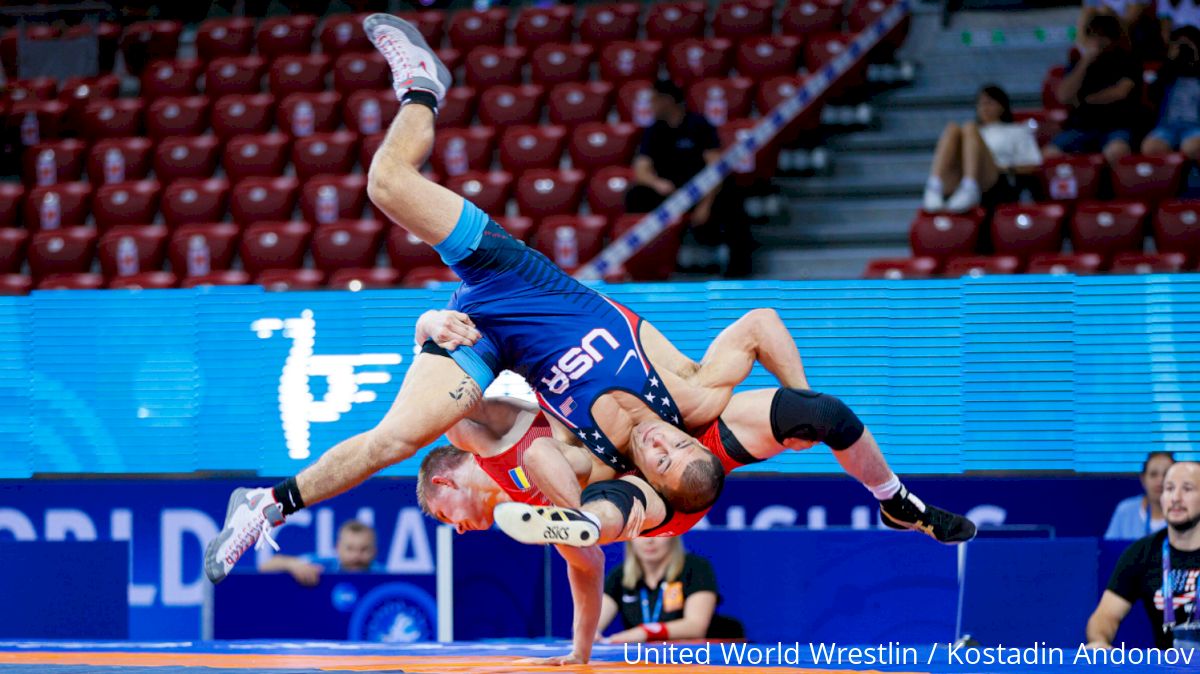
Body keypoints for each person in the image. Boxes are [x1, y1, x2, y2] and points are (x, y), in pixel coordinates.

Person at [204, 19, 958, 655]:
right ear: (700, 438)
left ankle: (265, 504)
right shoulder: (692, 393)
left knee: (394, 440)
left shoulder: (591, 461)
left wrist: (582, 646)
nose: (669, 446)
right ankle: (424, 86)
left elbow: (587, 550)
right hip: (522, 279)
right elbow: (769, 336)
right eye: (686, 446)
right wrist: (877, 480)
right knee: (386, 185)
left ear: (651, 478)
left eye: (665, 461)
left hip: (489, 348)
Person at [624, 78, 753, 278]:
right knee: (636, 195)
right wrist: (657, 183)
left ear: (667, 100)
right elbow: (641, 169)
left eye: (653, 100)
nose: (650, 106)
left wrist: (705, 205)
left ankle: (738, 271)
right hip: (670, 195)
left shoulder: (699, 125)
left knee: (732, 195)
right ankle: (648, 266)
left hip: (702, 193)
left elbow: (716, 168)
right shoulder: (654, 130)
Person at [1086, 461, 1200, 649]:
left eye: (1187, 489)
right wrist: (1099, 641)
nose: (1176, 498)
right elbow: (1105, 616)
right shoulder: (1141, 553)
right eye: (1169, 488)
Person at [922, 84, 1043, 213]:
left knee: (969, 127)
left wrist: (1004, 168)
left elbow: (1033, 164)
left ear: (1001, 105)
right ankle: (934, 186)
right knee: (952, 128)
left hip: (997, 181)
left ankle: (970, 187)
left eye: (989, 103)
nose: (985, 108)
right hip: (960, 179)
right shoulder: (973, 132)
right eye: (981, 104)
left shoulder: (1016, 130)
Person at [598, 536, 741, 643]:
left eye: (658, 533)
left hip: (688, 660)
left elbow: (696, 626)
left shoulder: (696, 567)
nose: (649, 540)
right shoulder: (620, 575)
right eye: (642, 532)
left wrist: (645, 632)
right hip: (641, 663)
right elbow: (592, 624)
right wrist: (590, 634)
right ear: (630, 538)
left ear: (674, 535)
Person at [1045, 14, 1141, 165]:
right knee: (1050, 154)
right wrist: (1085, 62)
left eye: (1103, 36)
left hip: (1116, 126)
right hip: (1081, 127)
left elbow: (1119, 92)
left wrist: (1085, 100)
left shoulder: (1127, 61)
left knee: (1116, 151)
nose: (1098, 41)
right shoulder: (1078, 63)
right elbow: (1063, 96)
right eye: (1093, 36)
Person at [259, 520, 382, 586]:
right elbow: (265, 567)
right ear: (337, 548)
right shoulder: (322, 565)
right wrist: (293, 565)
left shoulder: (384, 576)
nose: (356, 556)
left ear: (374, 552)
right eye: (350, 548)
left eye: (364, 549)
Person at [1141, 27, 1200, 162]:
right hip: (1167, 126)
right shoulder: (1168, 72)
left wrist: (1196, 59)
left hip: (1195, 126)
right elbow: (1152, 95)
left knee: (1194, 147)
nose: (1184, 50)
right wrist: (1170, 62)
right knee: (1151, 147)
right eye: (1179, 45)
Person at [1105, 451, 1175, 540]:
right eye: (1153, 474)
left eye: (1166, 474)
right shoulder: (1125, 511)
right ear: (1143, 479)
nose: (1160, 481)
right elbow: (1109, 550)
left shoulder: (1185, 513)